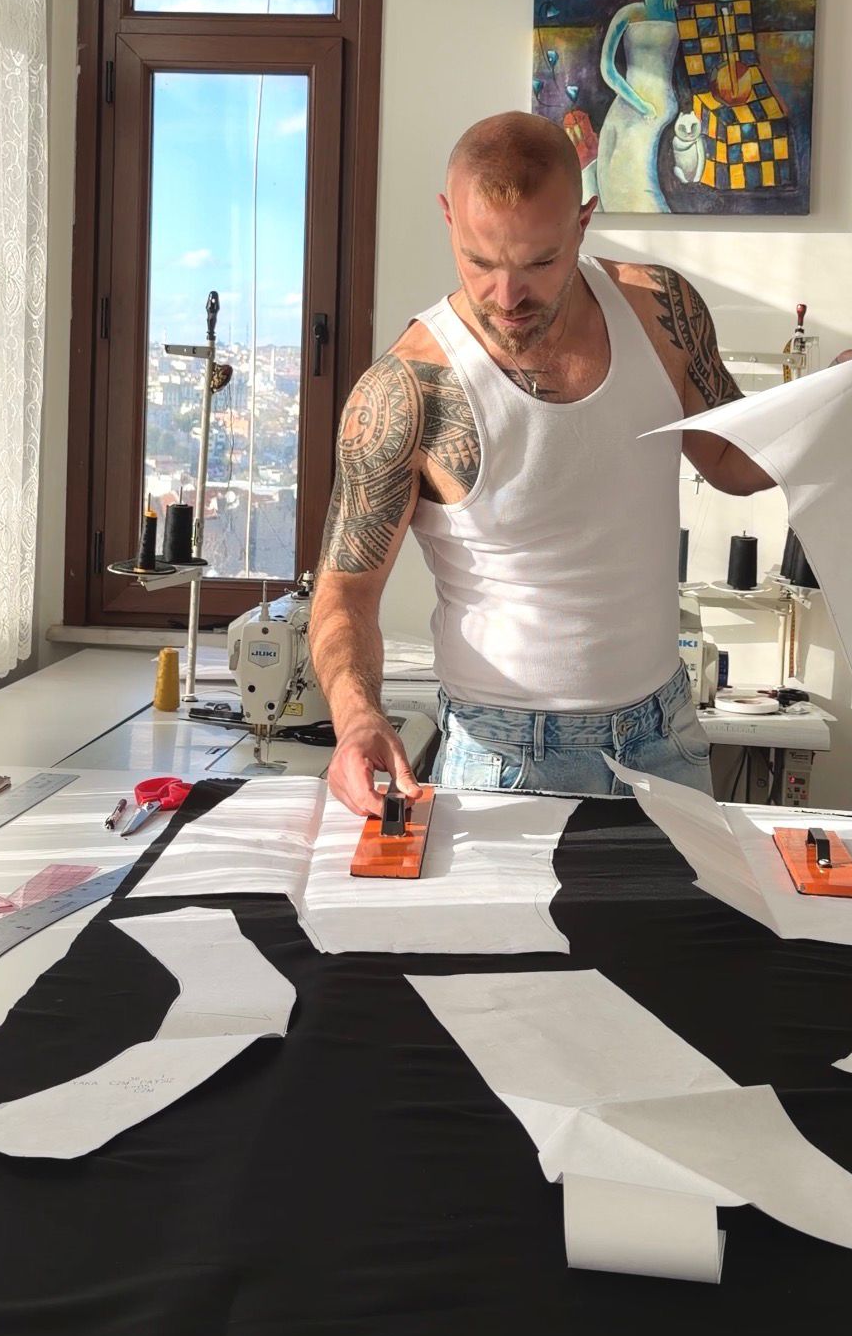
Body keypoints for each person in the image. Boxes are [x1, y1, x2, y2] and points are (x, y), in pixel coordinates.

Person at [309, 112, 774, 816]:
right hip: (508, 754)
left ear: (583, 222)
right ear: (448, 219)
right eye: (480, 261)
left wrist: (838, 398)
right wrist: (356, 719)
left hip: (668, 734)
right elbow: (344, 595)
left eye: (538, 262)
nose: (507, 296)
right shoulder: (406, 391)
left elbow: (735, 462)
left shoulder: (660, 310)